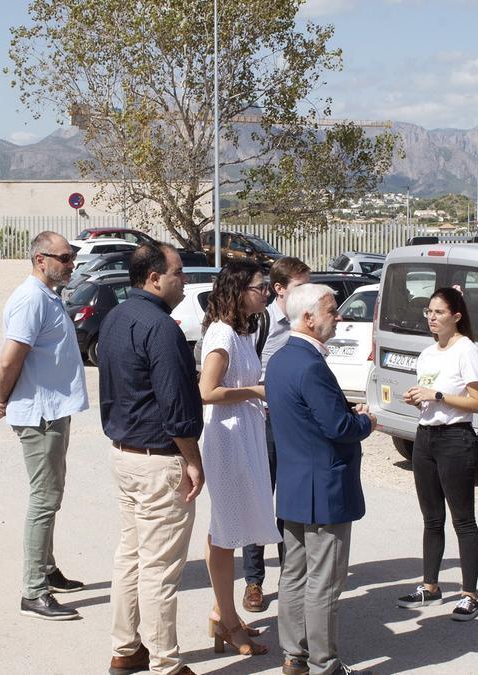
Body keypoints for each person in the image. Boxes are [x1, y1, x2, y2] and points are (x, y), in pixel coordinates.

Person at [99, 242, 205, 675]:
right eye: (178, 272)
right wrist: (193, 460)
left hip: (124, 456)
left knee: (131, 556)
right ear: (154, 278)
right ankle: (165, 664)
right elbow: (177, 406)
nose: (184, 279)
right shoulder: (161, 328)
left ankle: (126, 649)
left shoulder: (115, 317)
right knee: (159, 569)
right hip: (159, 461)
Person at [267, 283, 376, 675]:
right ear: (309, 318)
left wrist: (347, 413)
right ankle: (324, 663)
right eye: (332, 310)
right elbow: (337, 426)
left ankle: (294, 656)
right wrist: (366, 421)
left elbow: (309, 415)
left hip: (296, 483)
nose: (339, 315)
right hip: (324, 487)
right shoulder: (310, 364)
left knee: (294, 576)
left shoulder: (280, 359)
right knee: (324, 583)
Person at [0, 230, 87, 622]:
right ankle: (33, 591)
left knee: (52, 494)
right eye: (64, 257)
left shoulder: (48, 296)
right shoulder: (30, 299)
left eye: (71, 256)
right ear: (41, 259)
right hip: (40, 414)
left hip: (54, 410)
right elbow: (10, 359)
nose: (70, 263)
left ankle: (46, 569)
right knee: (44, 500)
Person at [198, 260, 280, 657]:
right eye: (260, 287)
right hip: (226, 437)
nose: (266, 292)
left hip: (243, 433)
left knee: (230, 527)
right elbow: (206, 390)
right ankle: (227, 619)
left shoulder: (245, 330)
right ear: (238, 290)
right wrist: (255, 392)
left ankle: (222, 612)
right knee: (225, 528)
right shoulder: (222, 334)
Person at [396, 287, 478, 621]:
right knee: (432, 518)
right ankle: (430, 586)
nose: (432, 318)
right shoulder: (428, 353)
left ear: (456, 316)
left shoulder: (467, 350)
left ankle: (470, 593)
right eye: (428, 312)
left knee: (463, 518)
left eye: (438, 312)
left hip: (455, 438)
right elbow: (432, 396)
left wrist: (437, 394)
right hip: (426, 437)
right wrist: (419, 398)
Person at [241, 256, 311, 614]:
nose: (309, 293)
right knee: (259, 502)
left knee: (292, 502)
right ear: (280, 289)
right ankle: (253, 581)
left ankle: (291, 577)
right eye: (302, 286)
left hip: (295, 425)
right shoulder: (262, 323)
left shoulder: (306, 323)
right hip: (263, 422)